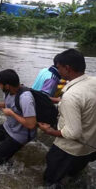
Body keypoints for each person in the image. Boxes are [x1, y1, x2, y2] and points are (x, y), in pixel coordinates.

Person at [38, 49, 96, 187]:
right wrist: (53, 99)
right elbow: (84, 103)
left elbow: (73, 133)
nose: (58, 71)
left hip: (68, 150)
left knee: (51, 180)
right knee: (73, 176)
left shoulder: (72, 95)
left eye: (59, 68)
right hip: (90, 147)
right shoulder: (93, 82)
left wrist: (49, 131)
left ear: (67, 68)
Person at [0, 69, 37, 166]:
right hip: (9, 127)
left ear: (7, 85)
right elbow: (8, 104)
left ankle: (8, 170)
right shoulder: (8, 91)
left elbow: (31, 124)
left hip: (22, 134)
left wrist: (12, 114)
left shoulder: (25, 98)